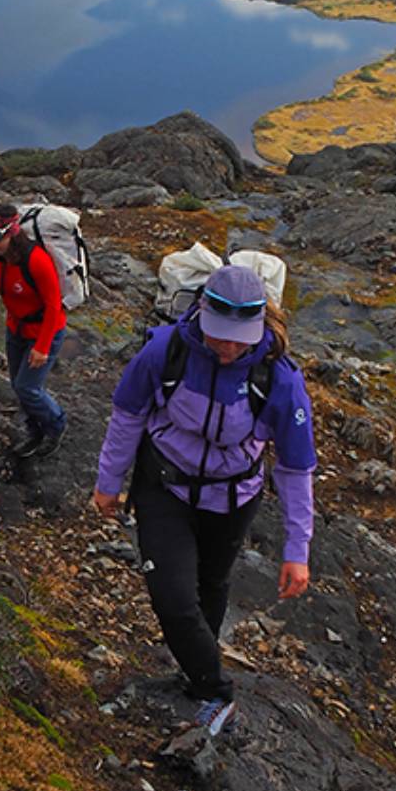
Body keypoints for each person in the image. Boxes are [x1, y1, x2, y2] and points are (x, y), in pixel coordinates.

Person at [91, 263, 315, 736]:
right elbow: (127, 414)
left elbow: (295, 469)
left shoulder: (281, 379)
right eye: (219, 335)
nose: (228, 347)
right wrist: (108, 481)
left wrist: (297, 550)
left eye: (239, 338)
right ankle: (216, 691)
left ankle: (193, 680)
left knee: (211, 586)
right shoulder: (164, 351)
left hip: (234, 499)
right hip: (164, 487)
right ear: (200, 313)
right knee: (173, 597)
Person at [0, 202, 67, 459]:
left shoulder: (36, 260)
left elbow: (53, 307)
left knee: (28, 387)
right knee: (18, 385)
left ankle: (56, 425)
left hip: (44, 329)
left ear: (12, 232)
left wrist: (43, 347)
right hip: (15, 328)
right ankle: (33, 431)